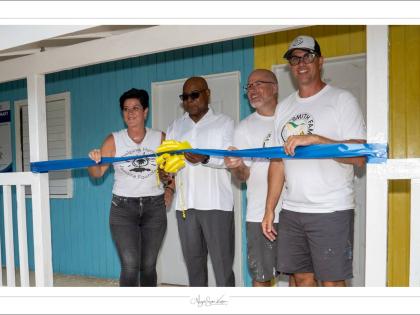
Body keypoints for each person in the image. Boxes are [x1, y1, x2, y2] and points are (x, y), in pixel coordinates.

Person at [262, 35, 366, 287]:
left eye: (307, 56)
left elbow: (360, 156)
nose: (301, 63)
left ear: (320, 61)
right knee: (302, 279)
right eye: (294, 59)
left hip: (330, 209)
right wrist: (269, 209)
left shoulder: (342, 100)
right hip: (292, 211)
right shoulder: (284, 108)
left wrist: (317, 139)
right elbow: (278, 163)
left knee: (331, 282)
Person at [88, 88, 173, 287]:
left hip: (154, 207)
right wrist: (93, 160)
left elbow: (171, 169)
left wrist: (169, 189)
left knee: (149, 265)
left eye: (135, 108)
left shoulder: (160, 138)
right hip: (123, 208)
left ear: (145, 112)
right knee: (130, 265)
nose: (130, 113)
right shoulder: (113, 140)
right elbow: (97, 173)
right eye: (126, 109)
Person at [165, 76, 235, 287]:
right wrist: (165, 174)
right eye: (184, 97)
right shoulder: (175, 127)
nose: (189, 101)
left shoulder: (225, 123)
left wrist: (205, 158)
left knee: (222, 267)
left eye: (194, 95)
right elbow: (169, 163)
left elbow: (231, 161)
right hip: (185, 207)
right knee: (194, 267)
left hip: (216, 205)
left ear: (207, 94)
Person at [224, 69, 283, 287]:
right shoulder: (244, 128)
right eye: (249, 86)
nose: (252, 90)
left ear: (274, 87)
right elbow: (242, 176)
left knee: (302, 277)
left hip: (299, 211)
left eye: (259, 84)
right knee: (261, 277)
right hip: (259, 214)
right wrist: (236, 167)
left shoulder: (291, 117)